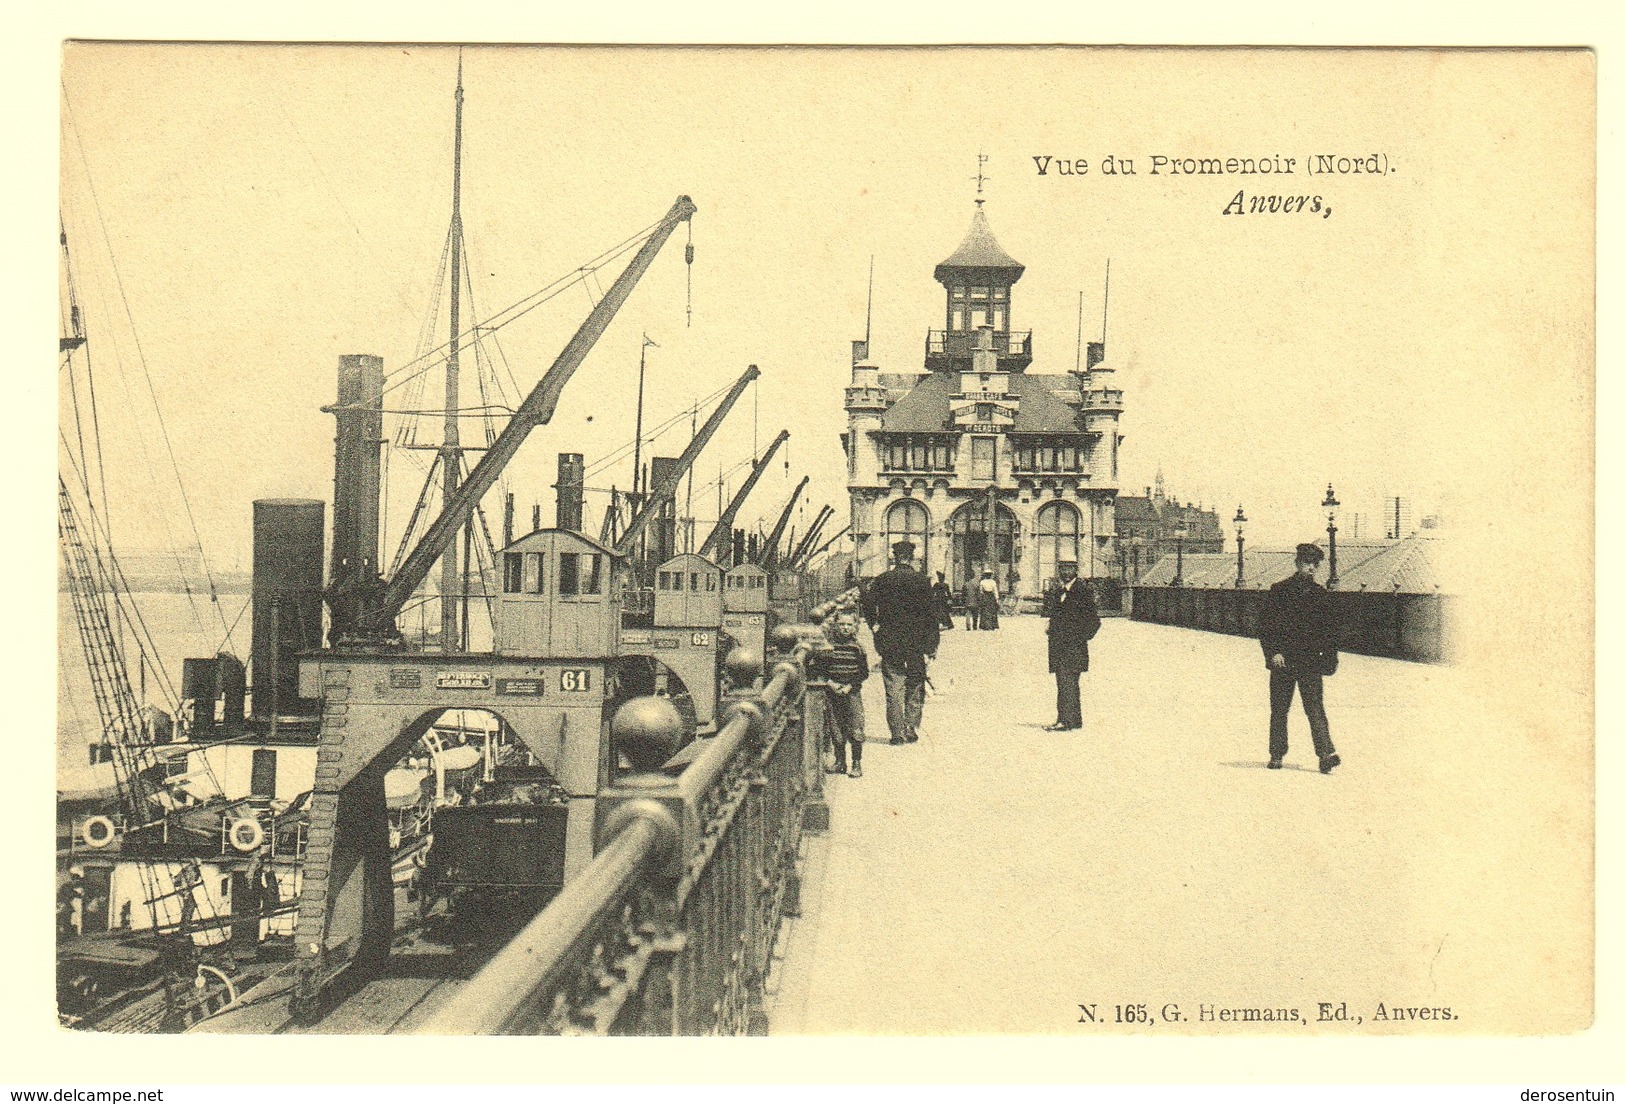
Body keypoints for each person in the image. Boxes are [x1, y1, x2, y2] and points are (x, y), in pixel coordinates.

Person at [1259, 543, 1341, 773]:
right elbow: (1266, 626)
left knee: (1315, 708)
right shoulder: (1279, 590)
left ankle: (1325, 755)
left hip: (1310, 662)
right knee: (1279, 709)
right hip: (1283, 661)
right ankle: (1276, 754)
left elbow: (1330, 631)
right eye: (1307, 563)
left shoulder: (1321, 595)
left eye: (1316, 565)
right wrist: (1273, 652)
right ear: (1297, 563)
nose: (1312, 568)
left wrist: (1330, 659)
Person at [861, 540, 940, 745]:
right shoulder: (922, 581)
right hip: (916, 642)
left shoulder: (882, 580)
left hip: (890, 641)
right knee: (915, 683)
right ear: (912, 557)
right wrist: (932, 645)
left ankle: (896, 733)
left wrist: (874, 625)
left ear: (894, 557)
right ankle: (911, 728)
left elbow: (867, 602)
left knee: (894, 686)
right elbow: (932, 615)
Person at [810, 610, 871, 777]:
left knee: (856, 727)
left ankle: (856, 763)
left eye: (849, 625)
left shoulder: (857, 648)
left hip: (852, 693)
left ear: (855, 627)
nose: (845, 628)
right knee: (836, 728)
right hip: (833, 692)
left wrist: (850, 685)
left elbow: (864, 672)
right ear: (835, 626)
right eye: (842, 624)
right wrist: (830, 683)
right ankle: (840, 761)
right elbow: (820, 669)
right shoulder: (829, 647)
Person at [1043, 560, 1100, 731]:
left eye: (1070, 568)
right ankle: (1072, 720)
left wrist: (1078, 638)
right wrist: (1051, 626)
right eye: (1063, 568)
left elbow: (1094, 622)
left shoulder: (1082, 591)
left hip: (1072, 648)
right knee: (1065, 683)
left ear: (1076, 570)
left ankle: (1065, 721)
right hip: (1059, 647)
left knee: (1067, 683)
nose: (1066, 572)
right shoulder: (1059, 591)